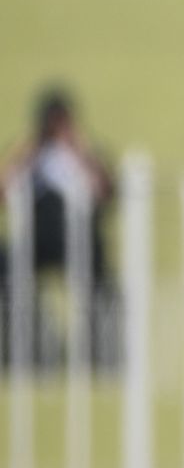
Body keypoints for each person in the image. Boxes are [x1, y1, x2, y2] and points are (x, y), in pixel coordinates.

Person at [0, 86, 116, 369]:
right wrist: (26, 149)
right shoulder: (28, 156)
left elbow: (106, 192)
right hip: (36, 239)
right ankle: (22, 347)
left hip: (77, 238)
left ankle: (100, 353)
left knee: (101, 282)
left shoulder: (83, 153)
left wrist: (79, 147)